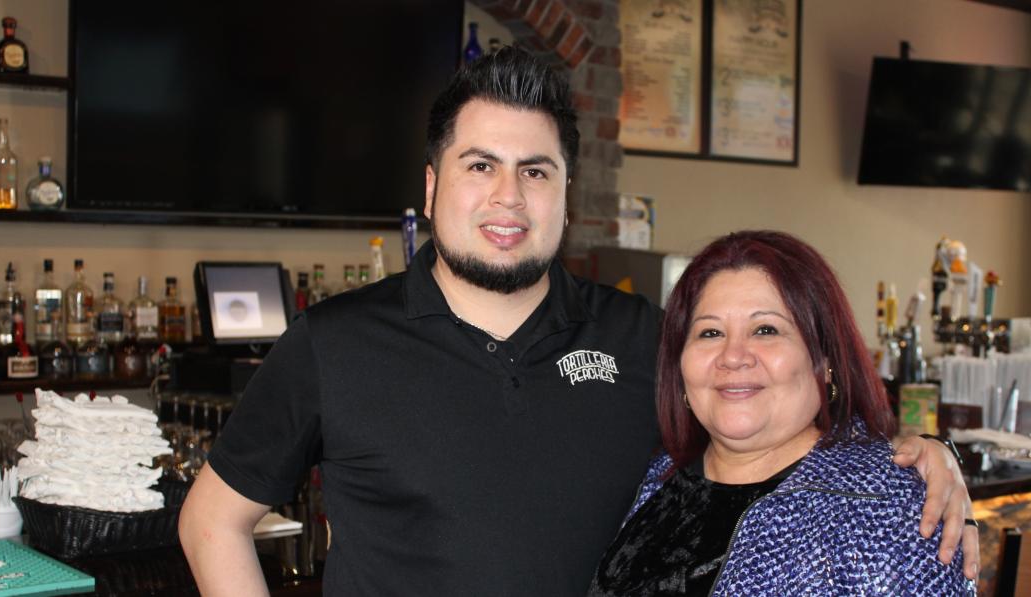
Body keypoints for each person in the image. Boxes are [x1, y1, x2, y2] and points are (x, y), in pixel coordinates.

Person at [179, 47, 978, 596]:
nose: (508, 198)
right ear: (430, 188)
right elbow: (213, 517)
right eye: (480, 166)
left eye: (536, 171)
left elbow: (762, 424)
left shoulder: (647, 339)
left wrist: (918, 458)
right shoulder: (333, 342)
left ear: (567, 194)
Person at [589, 231, 976, 596]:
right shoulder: (652, 479)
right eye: (710, 333)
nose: (733, 356)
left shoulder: (888, 509)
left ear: (824, 360)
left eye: (765, 330)